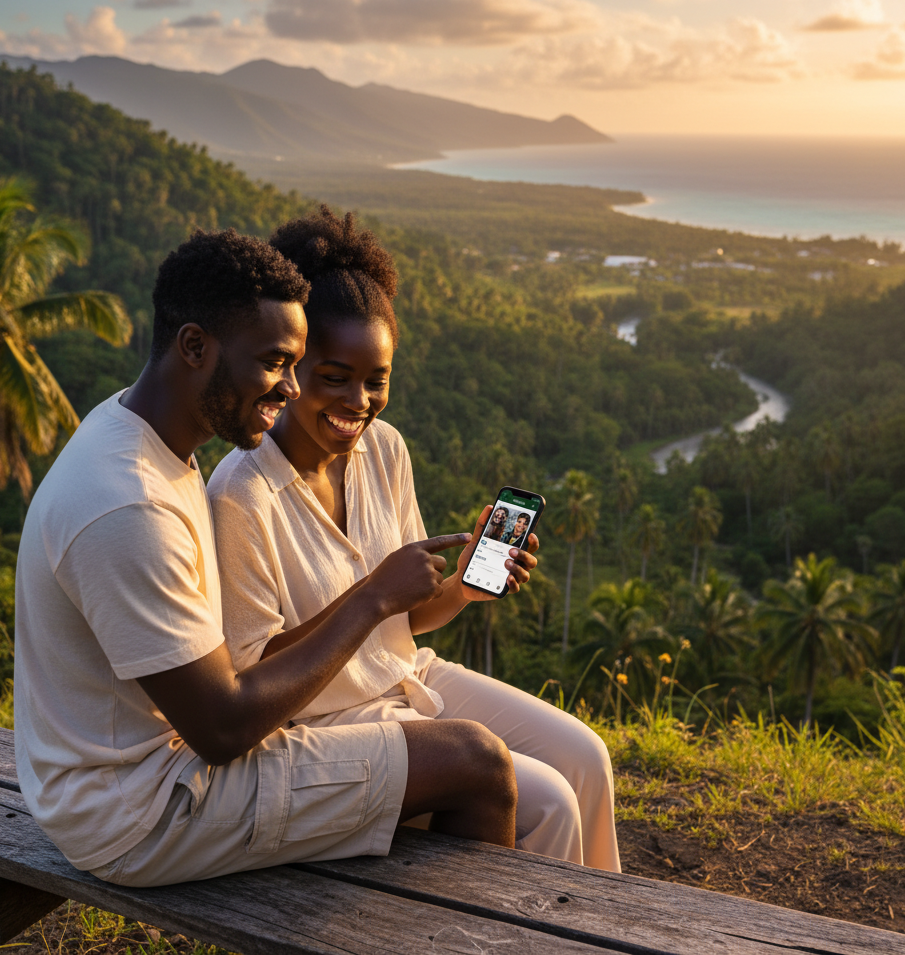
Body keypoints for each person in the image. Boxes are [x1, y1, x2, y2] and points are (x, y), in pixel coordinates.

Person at [14, 228, 519, 888]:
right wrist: (371, 597)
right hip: (139, 809)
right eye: (276, 362)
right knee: (475, 762)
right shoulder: (130, 503)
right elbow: (222, 729)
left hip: (138, 774)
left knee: (456, 754)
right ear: (195, 346)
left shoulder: (145, 439)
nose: (289, 389)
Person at [208, 207, 620, 872]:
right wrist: (372, 593)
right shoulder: (242, 494)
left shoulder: (384, 451)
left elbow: (408, 617)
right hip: (322, 727)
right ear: (291, 366)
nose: (358, 404)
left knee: (586, 758)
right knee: (547, 800)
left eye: (377, 382)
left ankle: (599, 930)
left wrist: (460, 585)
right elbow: (248, 677)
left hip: (407, 680)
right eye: (334, 377)